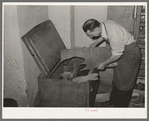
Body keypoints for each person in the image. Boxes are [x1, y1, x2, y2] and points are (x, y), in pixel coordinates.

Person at [82, 19, 141, 107]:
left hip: (130, 55)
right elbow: (104, 36)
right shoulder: (103, 25)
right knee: (118, 78)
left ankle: (120, 107)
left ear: (96, 29)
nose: (91, 36)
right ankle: (113, 102)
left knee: (125, 82)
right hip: (123, 51)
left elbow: (116, 55)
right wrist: (95, 43)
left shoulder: (114, 33)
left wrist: (104, 64)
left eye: (91, 34)